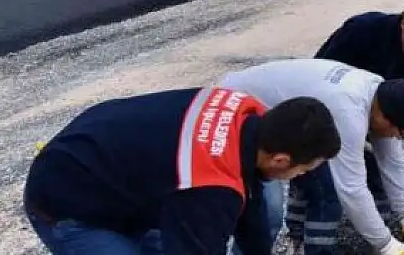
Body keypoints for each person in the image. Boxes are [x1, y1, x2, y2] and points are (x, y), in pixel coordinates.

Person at [23, 88, 340, 255]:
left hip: (112, 169)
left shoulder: (250, 114)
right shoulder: (209, 185)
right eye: (304, 169)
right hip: (68, 200)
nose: (301, 176)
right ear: (281, 160)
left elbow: (251, 203)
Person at [221, 59, 404, 255]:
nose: (397, 138)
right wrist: (387, 245)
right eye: (400, 133)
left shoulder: (381, 95)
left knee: (311, 178)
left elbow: (393, 161)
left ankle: (295, 243)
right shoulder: (348, 111)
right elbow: (352, 188)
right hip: (233, 109)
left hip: (281, 121)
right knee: (268, 211)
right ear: (385, 118)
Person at [315, 0, 404, 187]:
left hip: (375, 115)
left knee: (380, 175)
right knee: (324, 182)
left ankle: (386, 214)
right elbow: (322, 74)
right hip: (327, 107)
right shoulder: (363, 29)